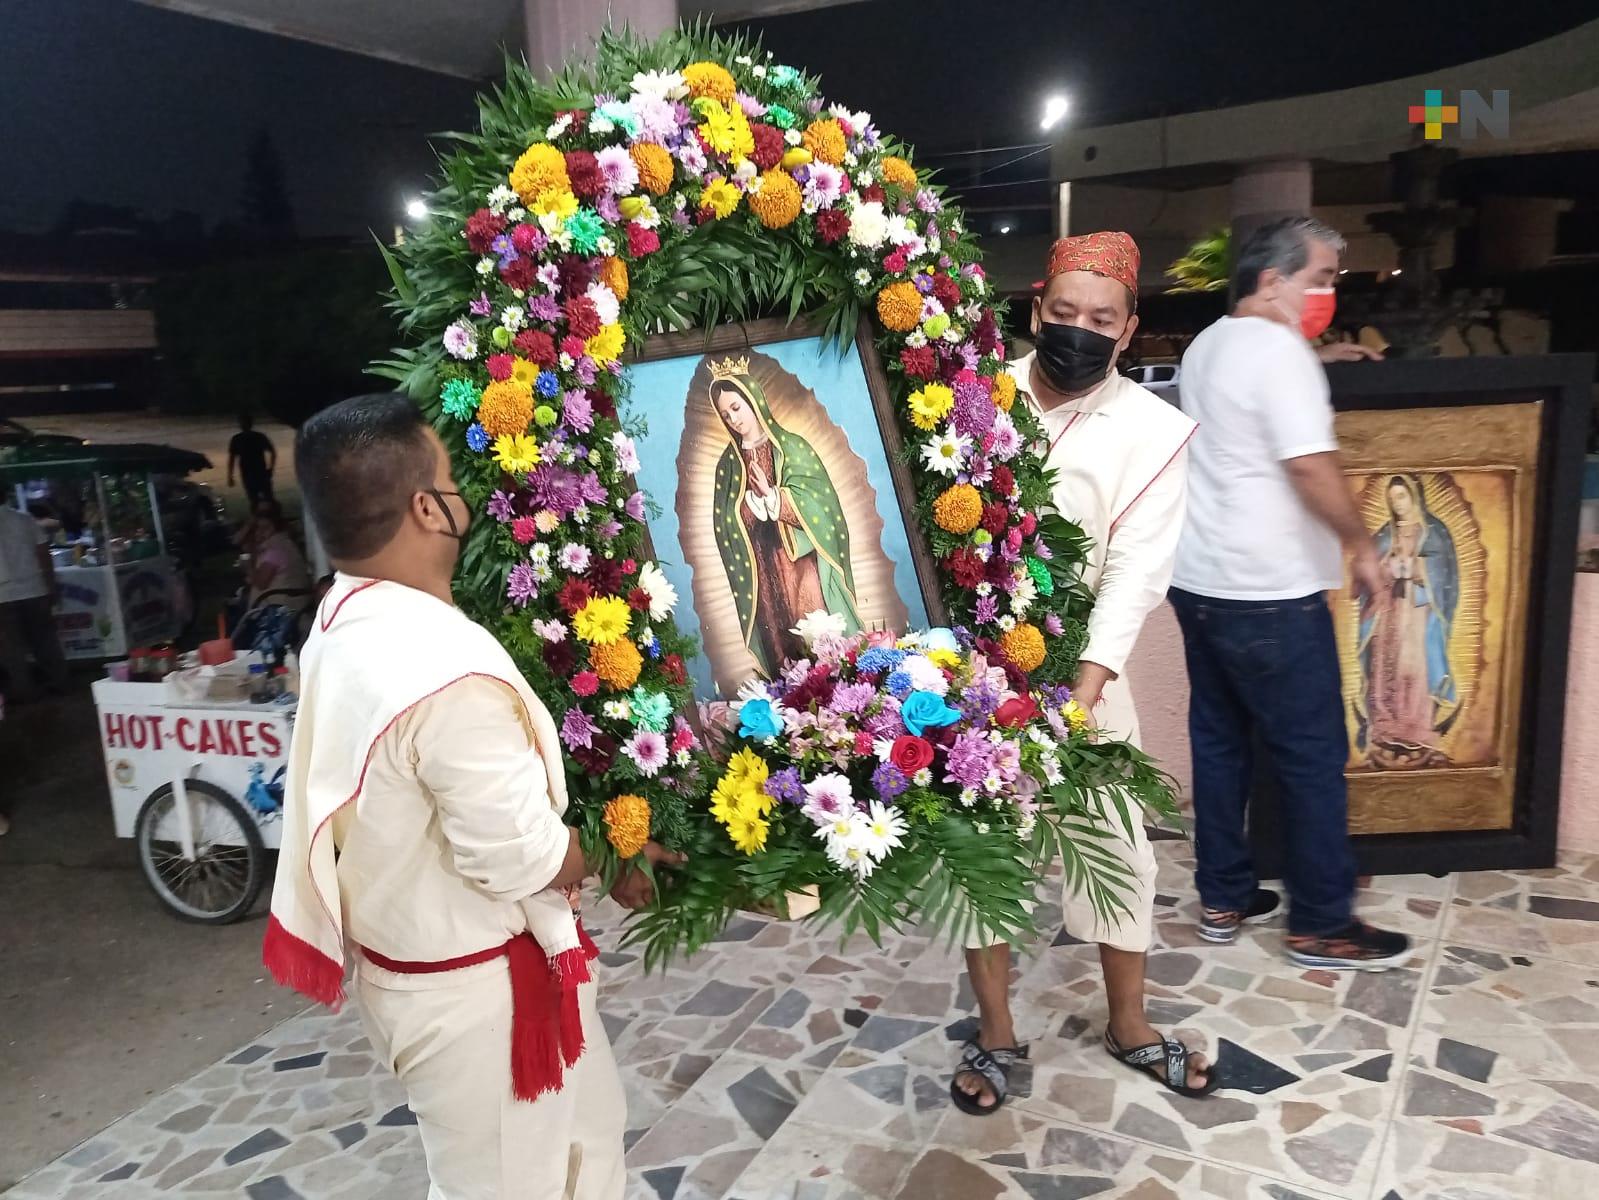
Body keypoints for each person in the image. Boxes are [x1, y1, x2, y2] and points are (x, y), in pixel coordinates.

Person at [264, 393, 681, 1198]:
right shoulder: (439, 672)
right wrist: (616, 848)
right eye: (450, 482)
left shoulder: (345, 617)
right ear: (426, 507)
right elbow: (518, 857)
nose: (461, 500)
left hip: (442, 975)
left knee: (582, 1161)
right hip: (480, 1006)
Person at [953, 232, 1217, 1115]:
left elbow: (1136, 568)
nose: (1078, 330)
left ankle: (1129, 1024)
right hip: (967, 671)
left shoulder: (1154, 432)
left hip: (1082, 673)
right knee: (976, 858)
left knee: (1115, 851)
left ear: (1129, 329)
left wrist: (1086, 688)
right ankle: (993, 1034)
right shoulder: (971, 399)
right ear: (1035, 310)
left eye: (1099, 319)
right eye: (1062, 314)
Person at [1170, 215, 1410, 969]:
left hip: (1200, 579)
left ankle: (1224, 895)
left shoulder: (1208, 344)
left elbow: (1245, 416)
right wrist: (1361, 545)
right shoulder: (1278, 354)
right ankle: (1320, 920)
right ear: (1271, 280)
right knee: (1309, 753)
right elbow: (1308, 466)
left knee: (1218, 743)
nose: (1326, 293)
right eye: (1319, 278)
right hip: (1268, 589)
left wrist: (1319, 354)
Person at [706, 358, 861, 674]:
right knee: (779, 639)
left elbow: (822, 505)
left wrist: (775, 497)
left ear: (753, 401)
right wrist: (748, 505)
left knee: (814, 625)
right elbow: (724, 523)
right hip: (762, 565)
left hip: (801, 560)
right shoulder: (728, 464)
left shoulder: (793, 447)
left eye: (736, 407)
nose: (733, 418)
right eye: (725, 415)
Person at [1357, 474, 1458, 769]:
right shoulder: (1384, 534)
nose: (1397, 504)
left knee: (1413, 667)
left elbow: (1445, 574)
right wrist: (1386, 568)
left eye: (1401, 497)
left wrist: (1416, 567)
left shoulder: (1435, 533)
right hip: (1389, 609)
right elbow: (1371, 572)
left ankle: (1414, 729)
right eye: (1392, 499)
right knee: (1383, 664)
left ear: (1415, 496)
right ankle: (1386, 728)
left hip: (1418, 611)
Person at [0, 502, 69, 703]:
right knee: (45, 642)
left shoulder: (25, 519)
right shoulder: (24, 520)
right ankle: (60, 683)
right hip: (34, 589)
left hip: (2, 596)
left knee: (12, 650)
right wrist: (51, 585)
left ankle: (25, 692)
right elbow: (43, 555)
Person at [228, 412, 277, 508]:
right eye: (242, 422)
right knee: (256, 499)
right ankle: (261, 518)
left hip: (259, 472)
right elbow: (232, 459)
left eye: (243, 422)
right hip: (250, 473)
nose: (242, 425)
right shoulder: (238, 439)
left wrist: (271, 468)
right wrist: (230, 476)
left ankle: (271, 518)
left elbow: (273, 452)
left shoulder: (255, 437)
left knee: (266, 498)